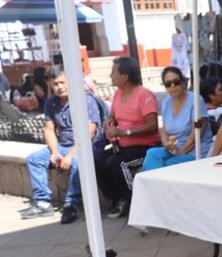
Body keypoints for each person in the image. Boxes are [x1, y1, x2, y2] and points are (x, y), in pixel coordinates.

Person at [20, 67, 101, 223]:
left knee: (78, 162)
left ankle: (71, 204)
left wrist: (70, 156)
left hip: (87, 146)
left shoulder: (85, 99)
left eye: (63, 82)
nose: (60, 87)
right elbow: (49, 130)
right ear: (50, 85)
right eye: (55, 84)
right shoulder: (52, 102)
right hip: (63, 145)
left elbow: (89, 132)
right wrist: (55, 152)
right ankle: (43, 202)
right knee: (34, 159)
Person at [93, 56, 161, 219]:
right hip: (122, 145)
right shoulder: (118, 94)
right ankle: (118, 199)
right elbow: (114, 116)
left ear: (125, 77)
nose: (111, 76)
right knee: (97, 160)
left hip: (145, 146)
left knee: (116, 164)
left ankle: (139, 204)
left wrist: (124, 132)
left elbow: (152, 125)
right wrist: (110, 122)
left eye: (113, 73)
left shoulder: (145, 95)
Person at [142, 67, 212, 171]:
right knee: (152, 153)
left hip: (195, 150)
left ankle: (154, 185)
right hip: (175, 148)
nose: (173, 86)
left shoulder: (196, 100)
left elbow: (197, 134)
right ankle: (154, 185)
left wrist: (181, 152)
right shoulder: (166, 102)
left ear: (183, 82)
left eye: (176, 82)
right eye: (168, 84)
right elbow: (164, 130)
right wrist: (166, 144)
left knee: (166, 165)